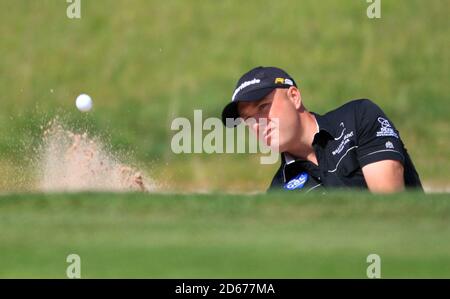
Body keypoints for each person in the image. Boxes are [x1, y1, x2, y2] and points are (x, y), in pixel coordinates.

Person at [221, 66, 423, 193]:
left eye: (263, 107)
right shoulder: (278, 193)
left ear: (294, 96)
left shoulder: (358, 118)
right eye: (249, 119)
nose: (258, 123)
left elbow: (390, 208)